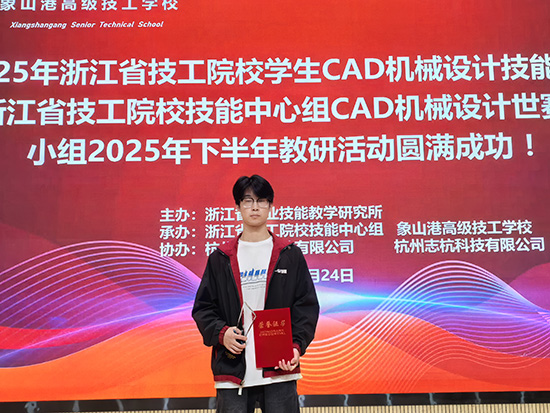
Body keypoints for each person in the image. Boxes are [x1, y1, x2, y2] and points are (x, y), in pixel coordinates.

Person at [192, 174, 319, 413]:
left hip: (279, 368)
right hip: (233, 370)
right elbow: (203, 308)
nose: (254, 207)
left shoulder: (289, 254)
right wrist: (223, 334)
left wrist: (295, 346)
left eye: (261, 200)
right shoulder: (221, 257)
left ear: (271, 206)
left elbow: (306, 306)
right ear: (238, 206)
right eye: (248, 200)